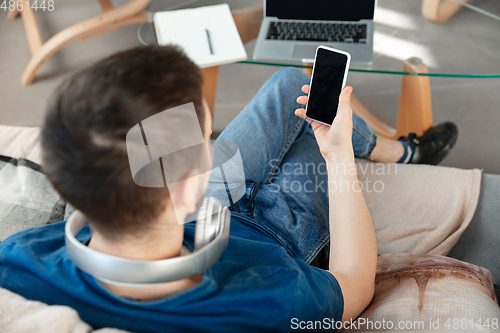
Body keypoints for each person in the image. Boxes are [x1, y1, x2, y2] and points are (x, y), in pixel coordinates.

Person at [0, 46, 459, 333]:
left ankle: (393, 151)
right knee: (314, 123)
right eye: (208, 138)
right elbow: (354, 286)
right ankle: (401, 153)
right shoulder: (271, 299)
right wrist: (338, 155)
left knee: (292, 87)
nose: (214, 143)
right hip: (280, 232)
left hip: (193, 213)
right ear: (183, 186)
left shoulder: (17, 259)